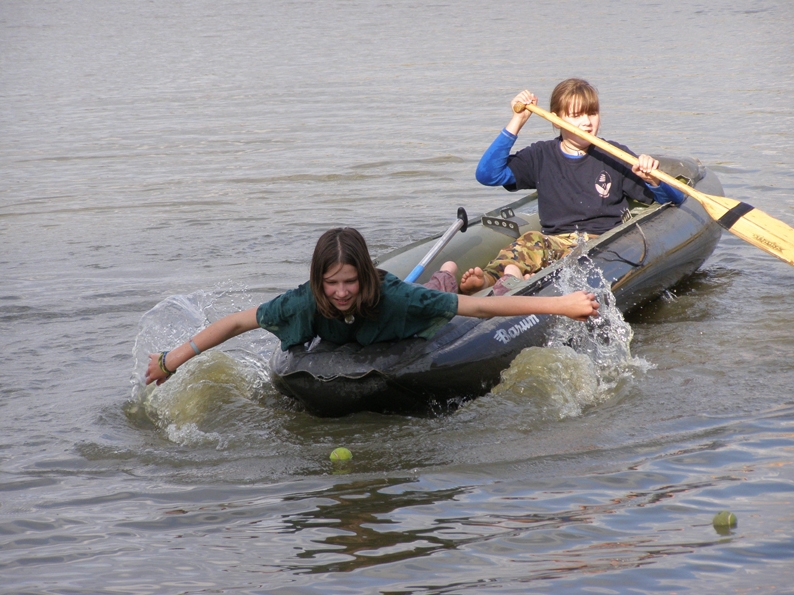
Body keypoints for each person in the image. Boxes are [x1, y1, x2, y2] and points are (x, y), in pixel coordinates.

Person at [145, 227, 600, 385]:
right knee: (437, 283)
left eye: (349, 281)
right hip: (409, 302)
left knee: (458, 295)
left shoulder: (395, 297)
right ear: (318, 281)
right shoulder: (305, 302)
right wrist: (172, 359)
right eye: (332, 283)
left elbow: (475, 311)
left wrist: (561, 304)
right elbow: (238, 322)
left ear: (363, 276)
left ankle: (505, 274)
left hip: (412, 320)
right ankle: (446, 266)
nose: (341, 292)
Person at [460, 78, 685, 295]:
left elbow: (673, 200)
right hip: (554, 241)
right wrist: (517, 120)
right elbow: (487, 174)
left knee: (550, 251)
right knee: (530, 241)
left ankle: (521, 280)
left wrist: (652, 179)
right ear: (557, 120)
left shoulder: (614, 155)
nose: (587, 122)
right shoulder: (540, 155)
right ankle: (488, 281)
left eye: (592, 113)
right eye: (576, 115)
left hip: (600, 244)